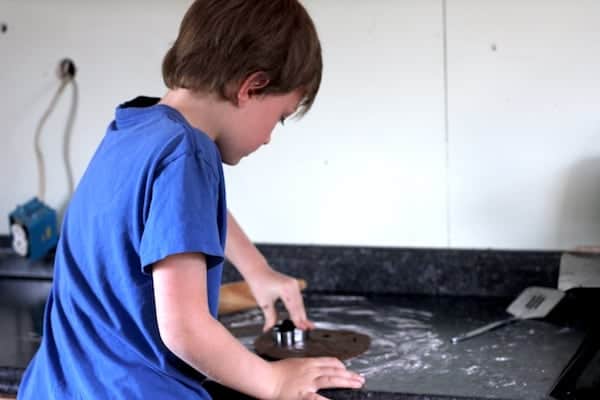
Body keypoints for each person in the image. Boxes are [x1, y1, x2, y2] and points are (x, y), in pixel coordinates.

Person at [17, 0, 365, 399]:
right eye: (280, 117)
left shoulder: (133, 129)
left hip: (58, 385)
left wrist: (256, 269)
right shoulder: (189, 153)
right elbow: (185, 329)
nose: (270, 137)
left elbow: (179, 215)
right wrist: (274, 381)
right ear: (251, 87)